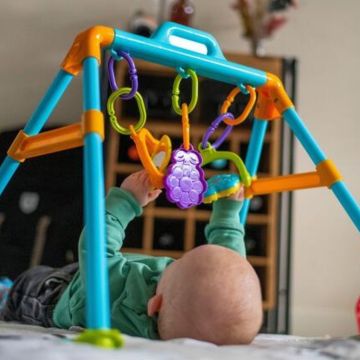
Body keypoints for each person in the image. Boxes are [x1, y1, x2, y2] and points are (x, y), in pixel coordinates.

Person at [0, 170, 263, 345]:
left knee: (23, 290)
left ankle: (6, 294)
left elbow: (95, 245)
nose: (165, 266)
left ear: (154, 305)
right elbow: (228, 258)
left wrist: (127, 201)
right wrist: (228, 213)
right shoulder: (177, 320)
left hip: (54, 298)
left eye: (174, 265)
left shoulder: (118, 299)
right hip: (90, 277)